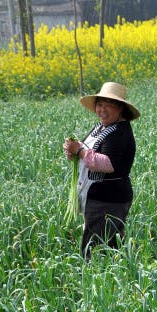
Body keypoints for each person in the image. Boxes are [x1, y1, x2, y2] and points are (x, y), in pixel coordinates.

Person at [62, 82, 139, 259]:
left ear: (120, 108)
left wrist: (79, 151)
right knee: (108, 244)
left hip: (108, 199)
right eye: (99, 105)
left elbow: (107, 163)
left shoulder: (119, 133)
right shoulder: (102, 126)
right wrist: (72, 150)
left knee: (94, 247)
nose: (102, 110)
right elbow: (87, 151)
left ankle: (92, 280)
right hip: (99, 197)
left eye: (108, 105)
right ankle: (109, 278)